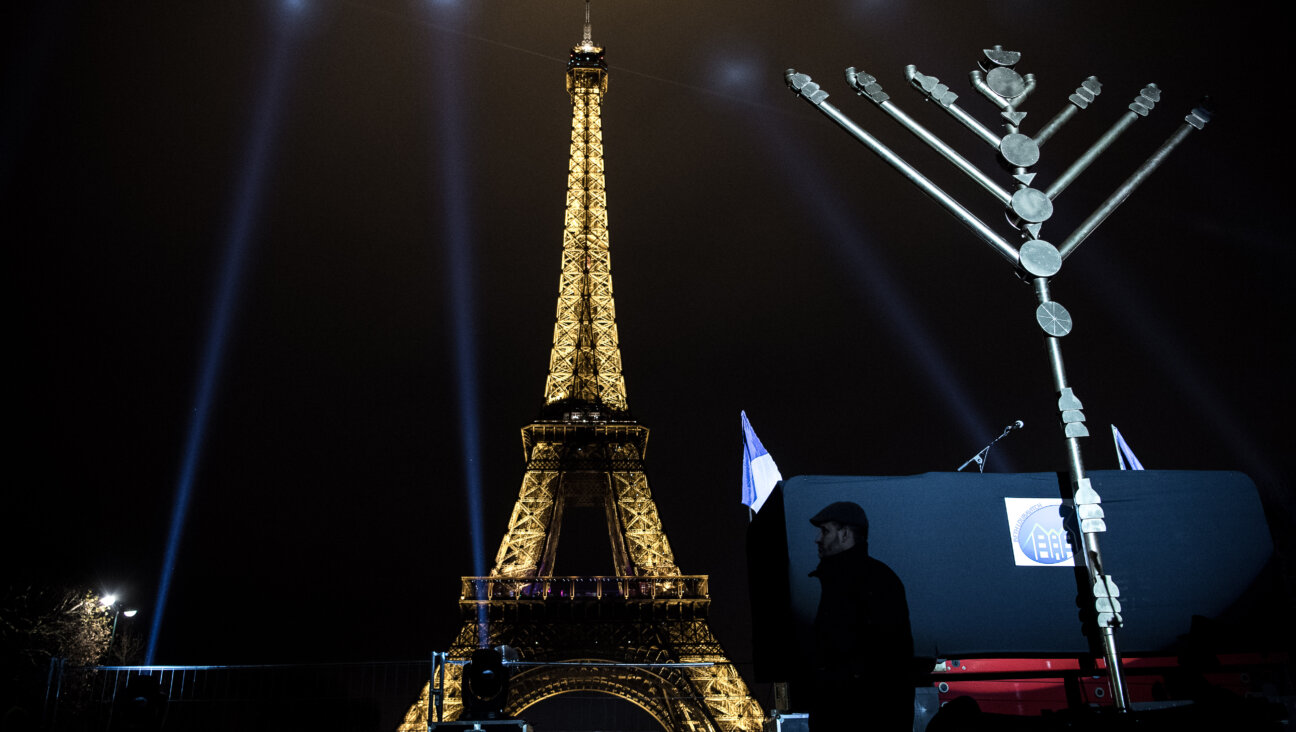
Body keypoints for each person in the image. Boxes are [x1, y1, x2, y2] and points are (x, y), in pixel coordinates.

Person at [808, 501, 914, 730]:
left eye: (825, 531)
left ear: (845, 534)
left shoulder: (870, 582)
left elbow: (888, 662)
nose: (817, 538)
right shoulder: (872, 579)